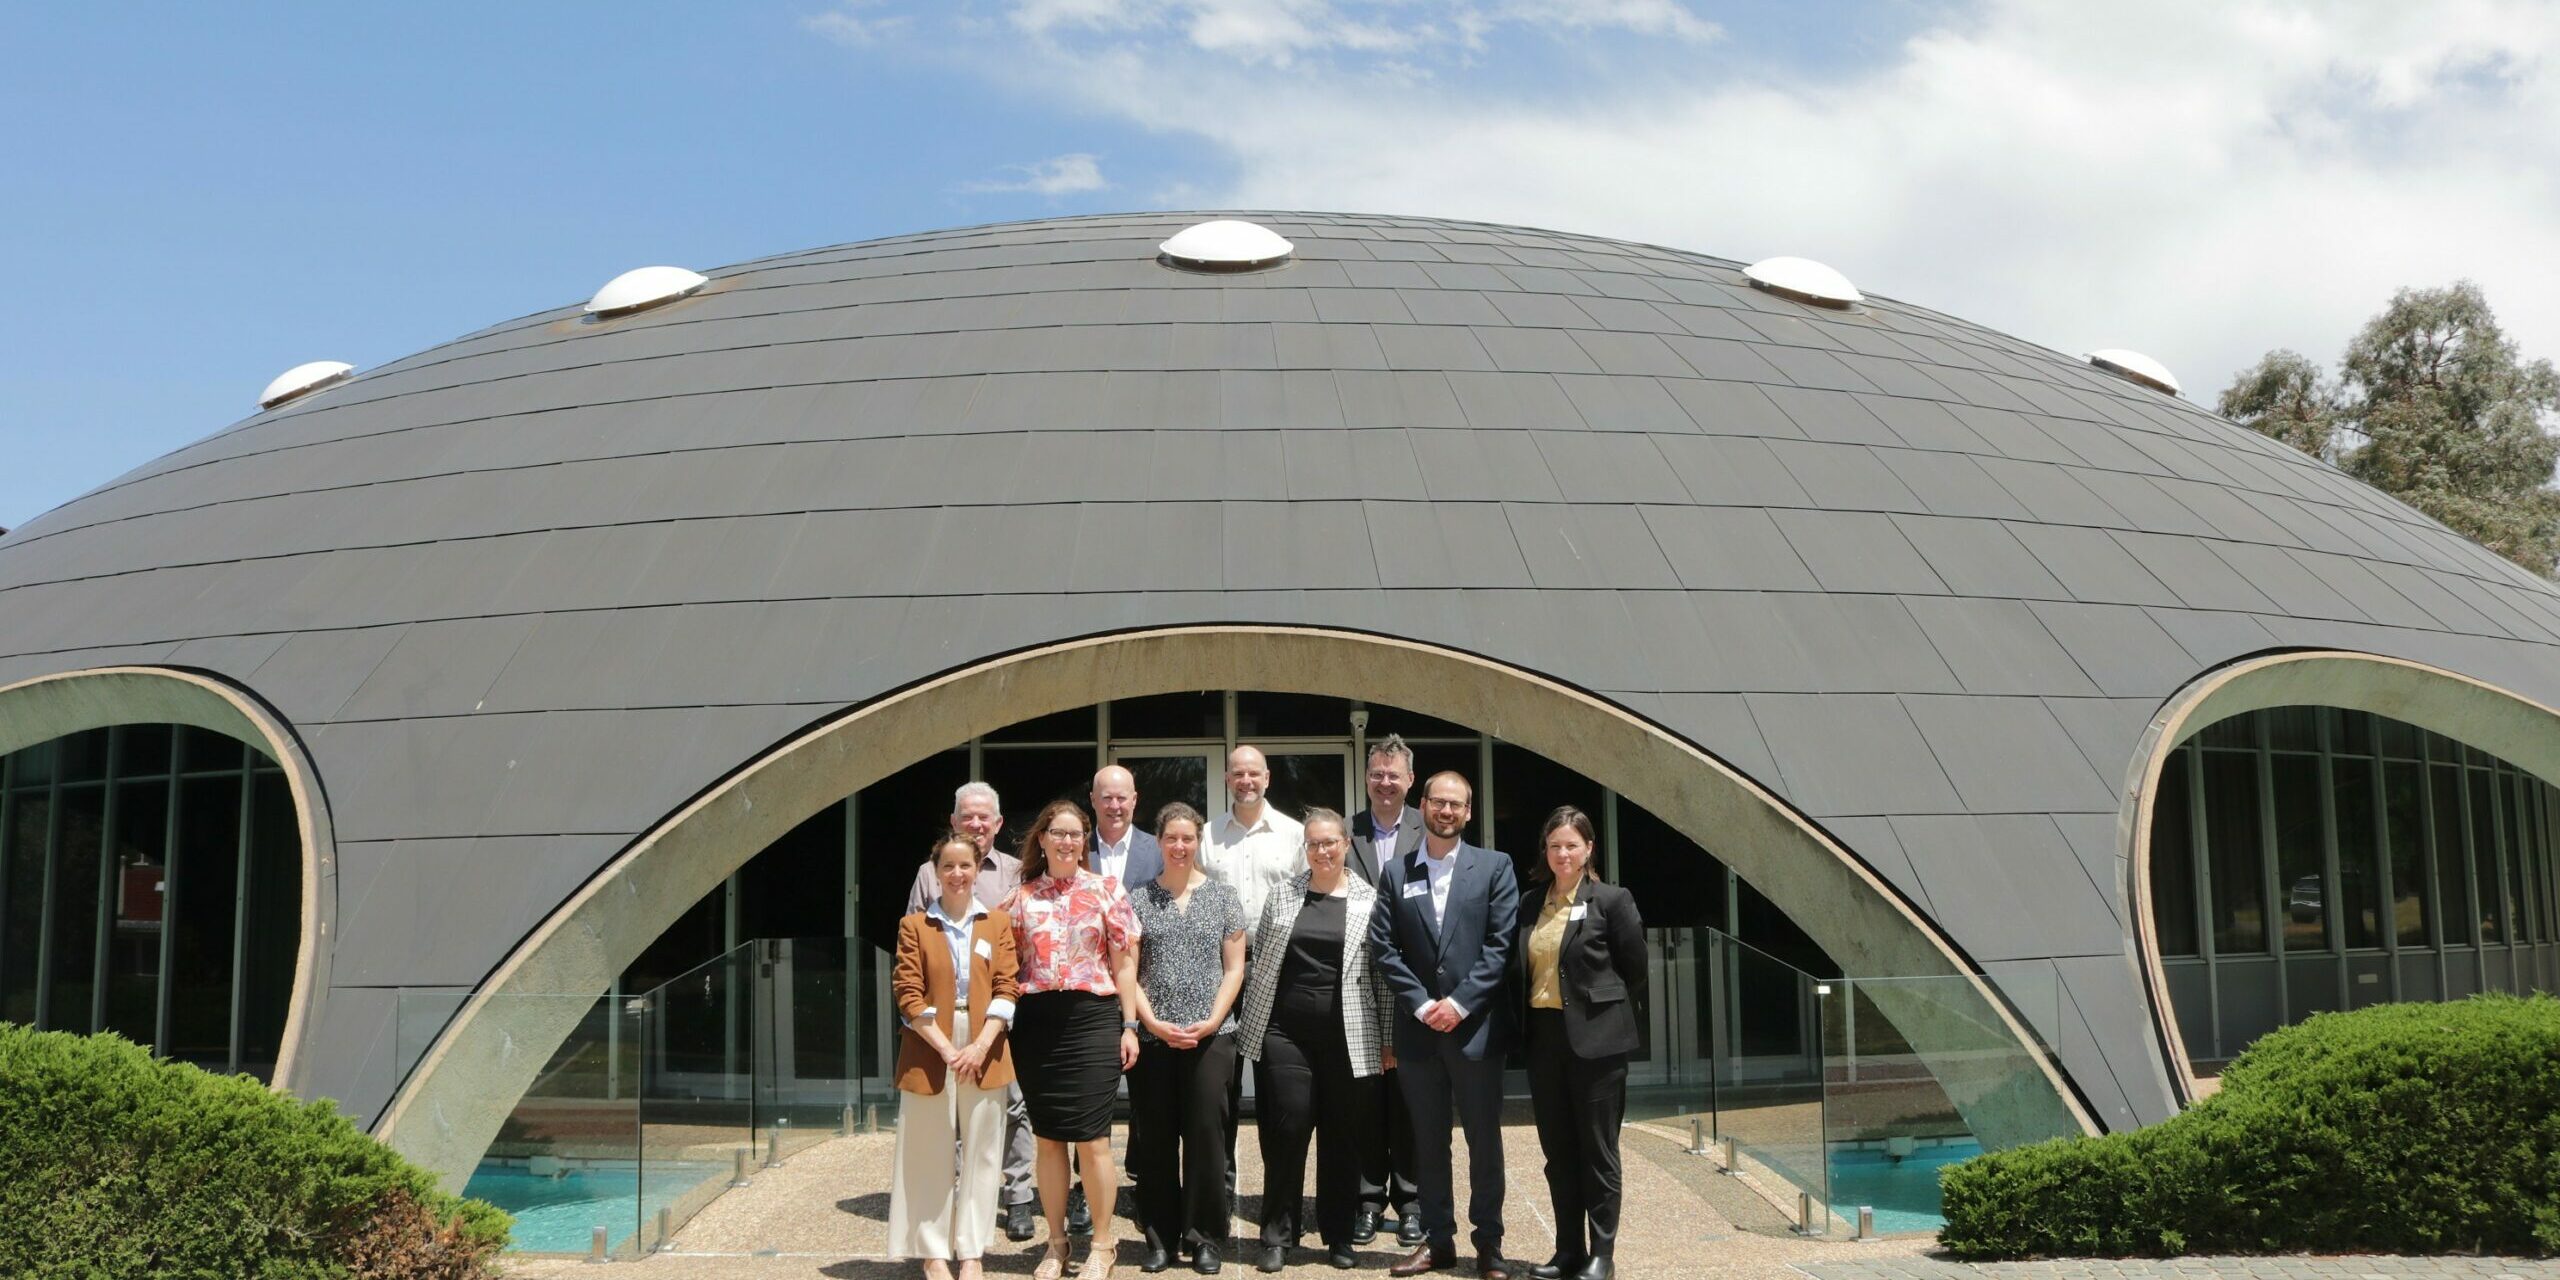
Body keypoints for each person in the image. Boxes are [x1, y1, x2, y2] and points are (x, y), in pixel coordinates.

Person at [1370, 772, 1518, 1280]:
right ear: (1424, 805)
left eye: (1457, 804)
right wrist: (1418, 1004)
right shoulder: (1395, 872)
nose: (1447, 811)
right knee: (1428, 1143)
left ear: (1469, 812)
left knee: (1484, 1142)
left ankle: (1489, 1244)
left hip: (1475, 1031)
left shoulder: (1495, 867)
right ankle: (1438, 1241)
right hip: (1418, 1035)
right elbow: (1383, 947)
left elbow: (1501, 946)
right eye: (1439, 802)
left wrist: (1458, 1003)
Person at [1234, 809, 1391, 1274]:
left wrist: (1388, 1039)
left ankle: (1339, 1234)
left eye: (1329, 842)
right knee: (1288, 1128)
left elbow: (1381, 977)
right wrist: (1251, 1029)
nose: (1321, 851)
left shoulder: (1369, 899)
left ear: (1345, 844)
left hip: (1349, 1034)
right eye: (1312, 844)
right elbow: (1263, 962)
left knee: (1343, 1136)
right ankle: (1278, 1235)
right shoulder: (1284, 894)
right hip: (1286, 1032)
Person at [1005, 799, 1144, 1280]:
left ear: (1084, 842)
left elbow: (1125, 963)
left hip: (1093, 1020)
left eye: (1075, 834)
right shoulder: (1018, 898)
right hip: (1038, 1024)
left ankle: (1103, 1246)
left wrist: (1130, 1025)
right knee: (1047, 1140)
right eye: (1057, 833)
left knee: (1092, 1140)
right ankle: (1057, 1242)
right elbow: (1005, 966)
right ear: (1041, 839)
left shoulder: (1106, 890)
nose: (1067, 841)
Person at [905, 782, 1039, 1241]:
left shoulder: (1019, 871)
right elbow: (916, 944)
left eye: (985, 817)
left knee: (1013, 1105)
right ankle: (953, 1197)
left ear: (999, 824)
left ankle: (1018, 1196)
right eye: (968, 817)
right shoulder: (929, 874)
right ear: (954, 821)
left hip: (1003, 1010)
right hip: (943, 1018)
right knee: (948, 1111)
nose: (977, 824)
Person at [1515, 808, 1644, 1280]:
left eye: (1571, 845)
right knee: (1559, 1154)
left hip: (1598, 1044)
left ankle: (1601, 1255)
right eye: (1554, 846)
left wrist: (1599, 1015)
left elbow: (1634, 970)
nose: (1562, 854)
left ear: (1589, 848)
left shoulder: (1612, 900)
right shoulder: (1531, 903)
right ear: (1544, 851)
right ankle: (1567, 1250)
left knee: (1598, 1152)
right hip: (1545, 1041)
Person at [890, 835, 1022, 1280]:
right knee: (930, 1152)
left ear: (976, 868)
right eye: (948, 866)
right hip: (931, 1045)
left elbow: (1008, 986)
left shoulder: (997, 923)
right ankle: (932, 1253)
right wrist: (949, 1050)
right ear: (936, 871)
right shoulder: (915, 926)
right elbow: (907, 994)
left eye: (966, 865)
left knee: (984, 1153)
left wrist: (980, 1045)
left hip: (985, 1042)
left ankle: (971, 1251)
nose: (958, 874)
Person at [1126, 802, 1246, 1275]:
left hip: (1212, 1037)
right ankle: (1159, 1238)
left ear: (1198, 842)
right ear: (1158, 842)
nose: (1180, 846)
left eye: (1188, 838)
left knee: (1205, 1138)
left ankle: (1205, 1239)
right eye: (1171, 838)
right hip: (1155, 1039)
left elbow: (1235, 967)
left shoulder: (1223, 896)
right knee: (1154, 1139)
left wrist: (1214, 1020)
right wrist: (1150, 1023)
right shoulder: (1137, 900)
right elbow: (1127, 972)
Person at [1348, 734, 1425, 1248]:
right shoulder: (1346, 830)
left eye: (1393, 774)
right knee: (1366, 1098)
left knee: (1412, 1098)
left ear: (1409, 780)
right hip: (1357, 984)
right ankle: (1368, 1200)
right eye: (1377, 773)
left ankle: (1414, 1202)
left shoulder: (1431, 828)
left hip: (1415, 982)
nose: (1384, 782)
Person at [1200, 745, 1305, 950]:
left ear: (1266, 778)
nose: (1246, 781)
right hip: (1220, 960)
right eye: (1238, 774)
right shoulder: (1206, 836)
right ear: (1227, 779)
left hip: (1281, 957)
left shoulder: (1295, 834)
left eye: (1254, 774)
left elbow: (1309, 896)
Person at [1091, 764, 1165, 891]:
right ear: (1093, 800)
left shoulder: (1159, 850)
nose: (1114, 806)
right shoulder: (1078, 850)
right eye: (1107, 798)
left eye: (1121, 798)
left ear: (1134, 800)